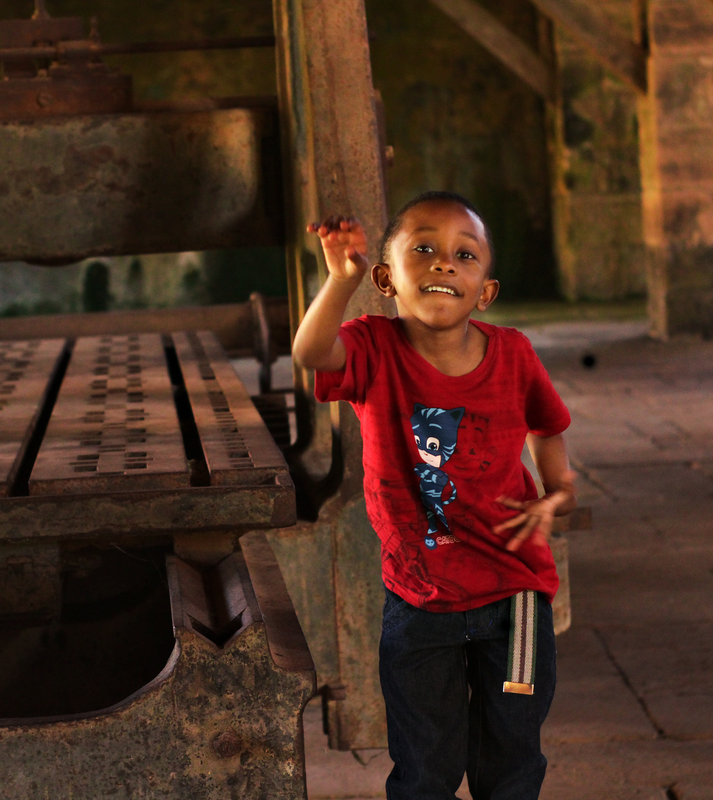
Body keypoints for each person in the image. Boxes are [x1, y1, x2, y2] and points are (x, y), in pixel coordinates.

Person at [291, 191, 576, 800]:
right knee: (425, 766)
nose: (443, 264)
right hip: (419, 599)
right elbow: (311, 353)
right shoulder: (370, 349)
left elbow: (546, 424)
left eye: (463, 255)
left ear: (485, 291)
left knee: (512, 759)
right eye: (423, 249)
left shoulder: (515, 355)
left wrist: (559, 491)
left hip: (515, 600)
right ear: (386, 278)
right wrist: (338, 281)